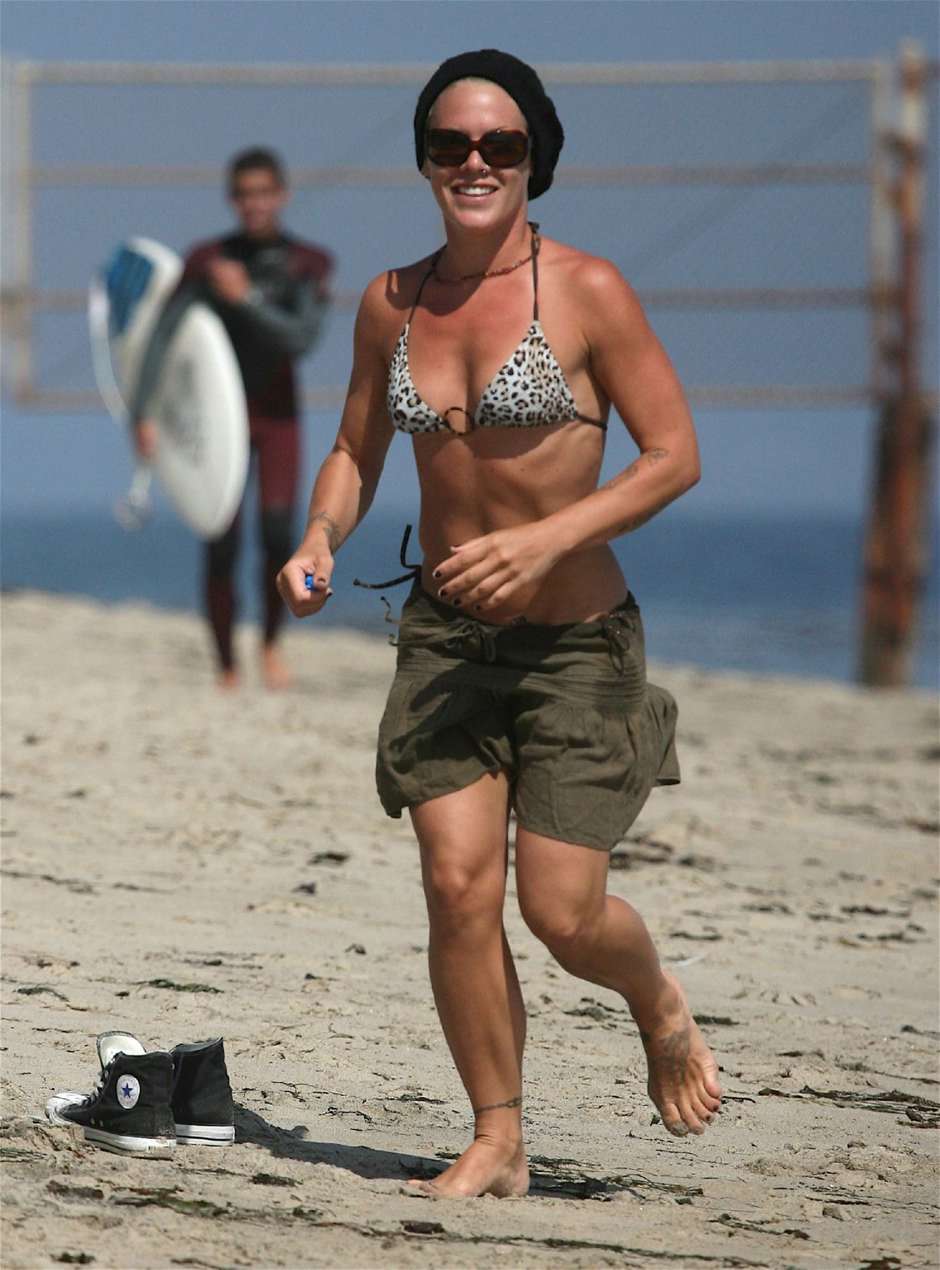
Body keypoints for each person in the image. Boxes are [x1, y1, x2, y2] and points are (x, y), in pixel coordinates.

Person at [278, 49, 721, 1199]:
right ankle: (498, 1136)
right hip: (446, 642)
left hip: (575, 643)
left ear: (535, 159)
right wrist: (320, 535)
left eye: (500, 145)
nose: (473, 162)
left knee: (561, 913)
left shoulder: (587, 290)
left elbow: (673, 455)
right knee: (456, 886)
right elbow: (354, 450)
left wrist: (545, 538)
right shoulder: (391, 301)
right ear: (426, 158)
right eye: (451, 143)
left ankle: (656, 1000)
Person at [131, 147, 334, 689]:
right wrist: (143, 413)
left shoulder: (308, 264)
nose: (254, 204)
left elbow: (302, 339)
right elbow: (162, 337)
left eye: (264, 193)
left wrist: (245, 299)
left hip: (278, 415)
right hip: (215, 418)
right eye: (245, 194)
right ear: (232, 199)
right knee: (220, 537)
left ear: (282, 196)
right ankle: (225, 663)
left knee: (278, 535)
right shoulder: (206, 261)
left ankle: (270, 643)